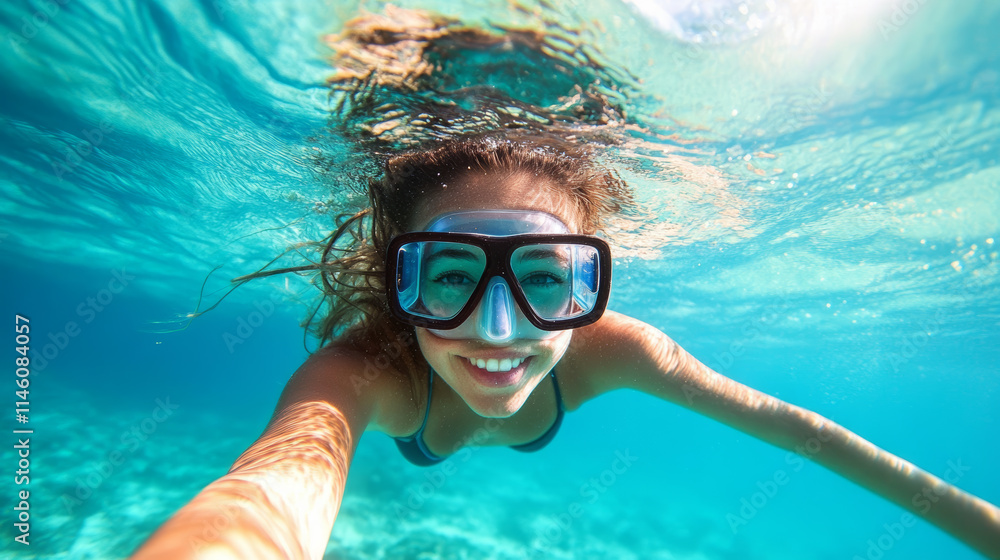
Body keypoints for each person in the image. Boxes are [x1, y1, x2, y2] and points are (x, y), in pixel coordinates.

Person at [130, 134, 1000, 559]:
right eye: (449, 275)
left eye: (547, 278)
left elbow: (797, 429)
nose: (497, 331)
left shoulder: (614, 350)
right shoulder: (365, 373)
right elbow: (266, 493)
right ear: (396, 280)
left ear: (588, 288)